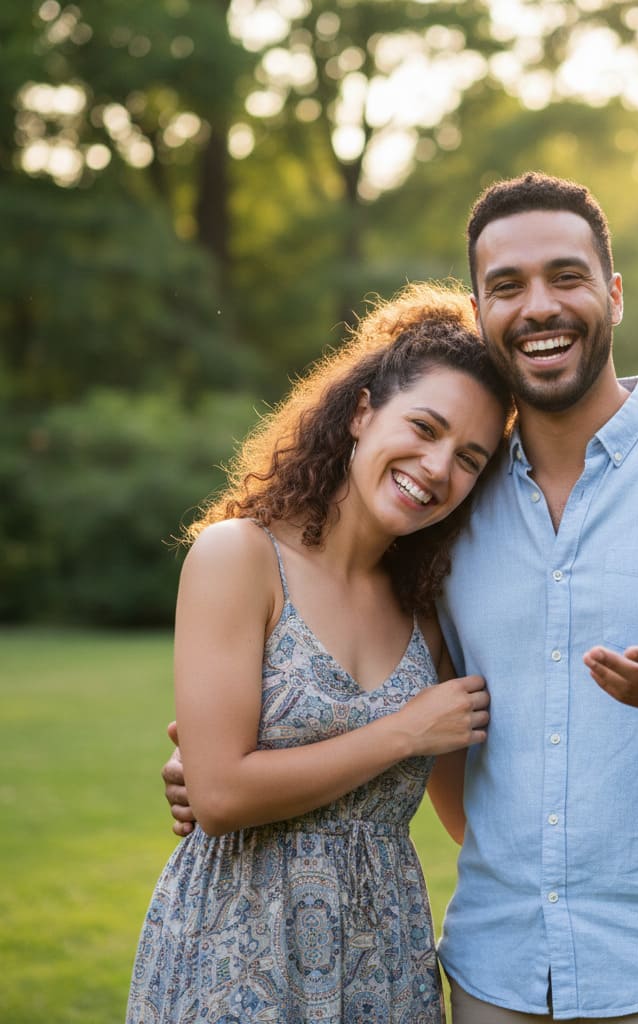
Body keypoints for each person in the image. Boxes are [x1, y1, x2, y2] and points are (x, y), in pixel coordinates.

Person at [166, 172, 638, 1022]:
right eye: (507, 286)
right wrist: (229, 764)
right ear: (480, 311)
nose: (539, 306)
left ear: (613, 293)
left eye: (566, 276)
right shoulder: (450, 514)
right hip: (498, 977)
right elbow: (394, 699)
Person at [127, 281, 513, 1024]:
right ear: (362, 412)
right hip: (238, 954)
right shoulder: (240, 558)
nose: (438, 468)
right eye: (424, 427)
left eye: (469, 457)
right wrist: (403, 732)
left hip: (383, 964)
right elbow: (219, 797)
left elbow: (474, 820)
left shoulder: (428, 613)